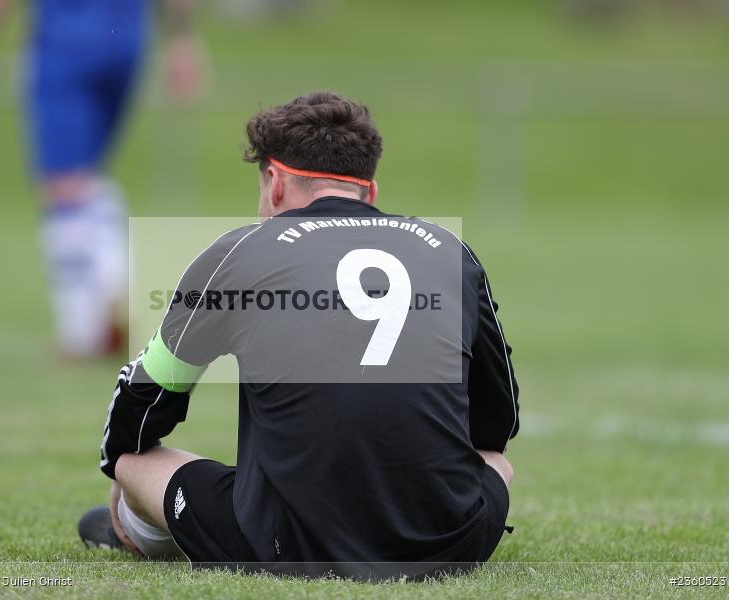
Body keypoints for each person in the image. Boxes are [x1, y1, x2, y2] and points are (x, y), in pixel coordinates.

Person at [78, 91, 520, 580]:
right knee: (494, 462)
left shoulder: (240, 252)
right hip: (450, 547)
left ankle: (134, 531)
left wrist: (119, 466)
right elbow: (498, 421)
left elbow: (142, 403)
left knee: (135, 460)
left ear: (276, 182)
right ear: (369, 191)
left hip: (286, 546)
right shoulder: (451, 250)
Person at [0, 0, 205, 358]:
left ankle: (85, 328)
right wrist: (182, 41)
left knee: (63, 185)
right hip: (127, 42)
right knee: (86, 177)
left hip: (65, 43)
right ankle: (114, 293)